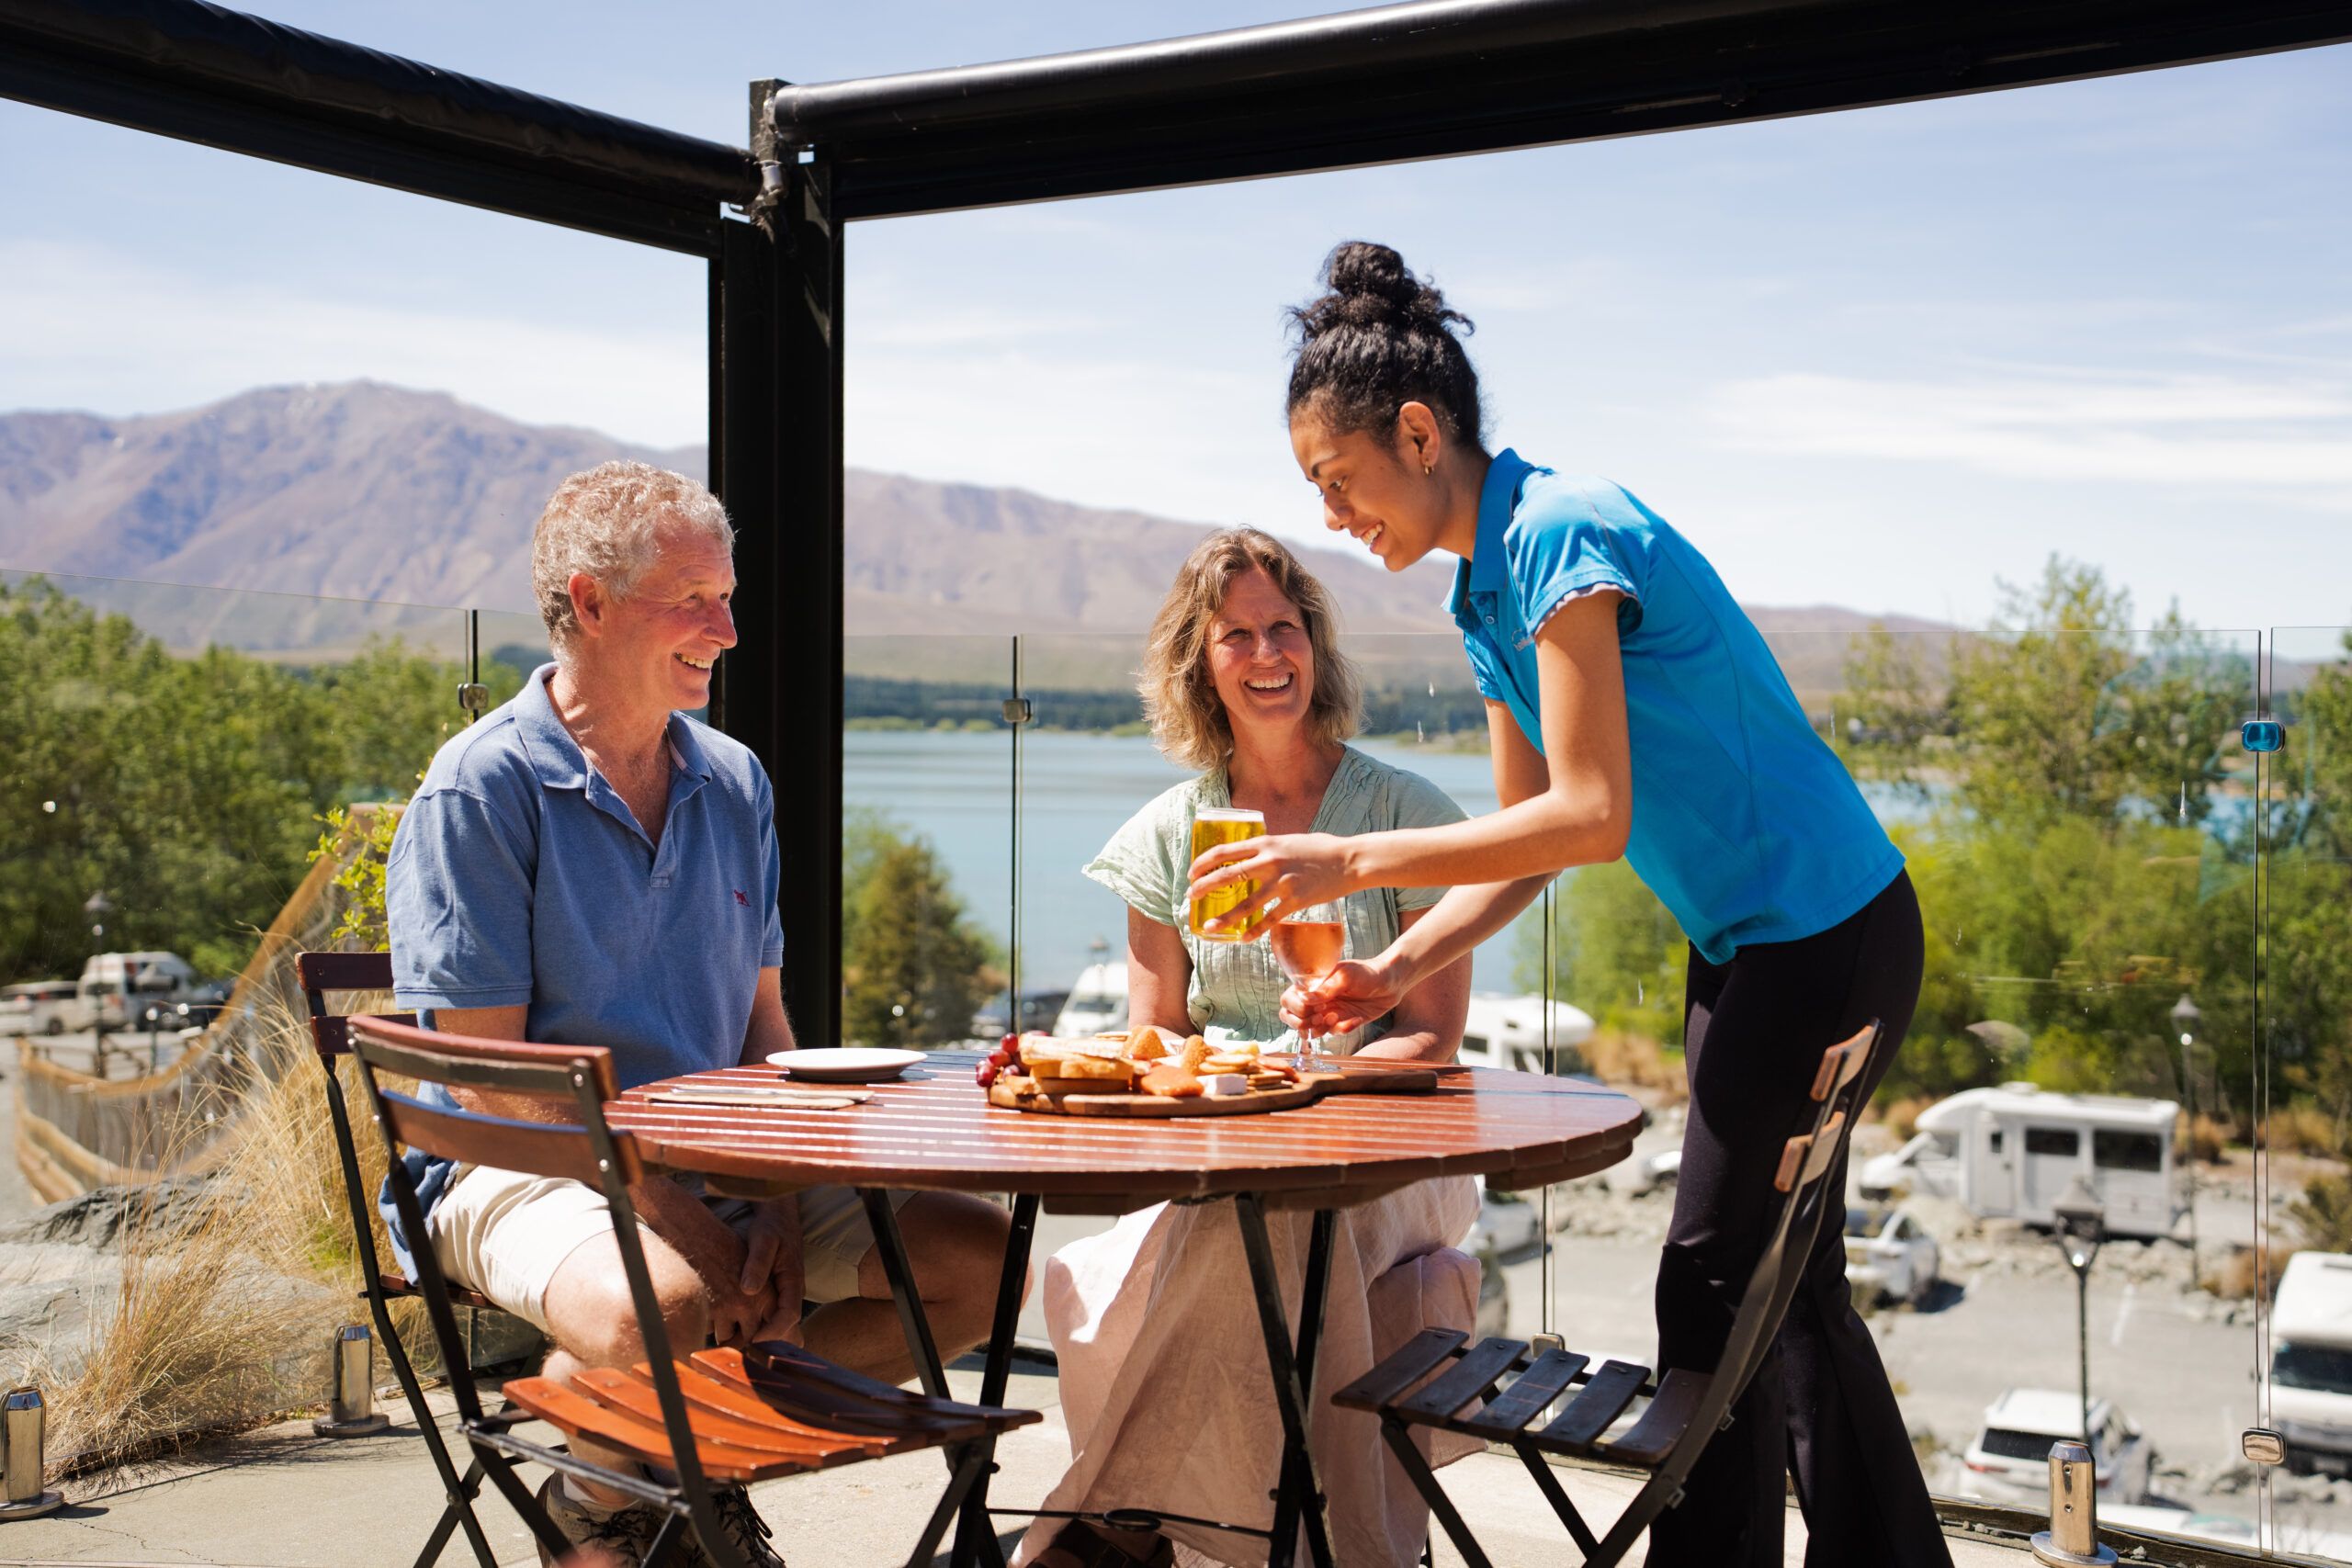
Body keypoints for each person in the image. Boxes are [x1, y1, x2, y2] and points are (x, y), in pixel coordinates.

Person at [1189, 243, 1949, 1568]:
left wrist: (1346, 867)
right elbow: (1528, 844)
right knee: (1792, 1287)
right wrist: (1389, 970)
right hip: (1764, 944)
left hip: (1825, 935)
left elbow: (1592, 813)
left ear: (1418, 433)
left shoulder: (1560, 530)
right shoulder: (1488, 593)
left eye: (1339, 478)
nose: (1332, 512)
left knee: (1714, 1277)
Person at [382, 461, 1013, 1568]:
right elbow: (486, 1077)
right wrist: (676, 1213)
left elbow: (767, 1027)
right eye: (693, 600)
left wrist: (773, 1200)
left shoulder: (736, 781)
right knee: (661, 1310)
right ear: (587, 602)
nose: (725, 628)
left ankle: (631, 1473)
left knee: (977, 1259)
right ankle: (652, 1474)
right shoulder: (480, 788)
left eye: (726, 597)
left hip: (713, 1162)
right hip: (512, 1163)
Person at [1020, 528, 1480, 1568]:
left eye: (1286, 628)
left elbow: (1430, 1039)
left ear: (1314, 647)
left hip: (1391, 1157)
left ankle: (1108, 1527)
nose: (1267, 654)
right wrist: (1122, 1061)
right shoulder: (1165, 837)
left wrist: (1311, 1081)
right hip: (1217, 1152)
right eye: (1238, 635)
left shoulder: (1404, 817)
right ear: (1200, 660)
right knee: (1254, 1222)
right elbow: (1159, 1037)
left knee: (1273, 1225)